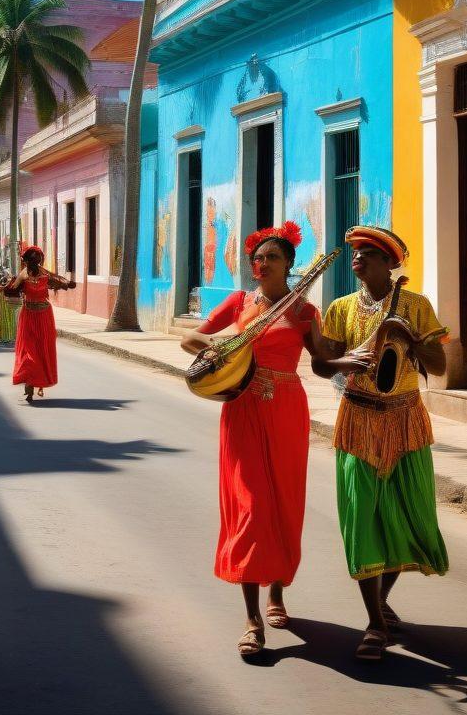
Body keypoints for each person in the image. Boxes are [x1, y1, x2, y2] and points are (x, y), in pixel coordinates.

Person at [181, 221, 329, 658]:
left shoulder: (304, 312)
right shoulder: (240, 302)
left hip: (286, 409)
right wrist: (223, 346)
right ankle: (251, 618)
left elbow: (321, 360)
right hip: (242, 407)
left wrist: (353, 359)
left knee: (283, 502)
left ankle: (278, 591)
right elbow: (191, 337)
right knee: (250, 506)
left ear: (288, 265)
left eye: (272, 258)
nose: (261, 264)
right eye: (257, 258)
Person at [312, 225, 449, 661]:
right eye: (355, 252)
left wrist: (406, 336)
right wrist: (342, 361)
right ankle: (373, 622)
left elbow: (440, 365)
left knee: (407, 518)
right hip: (357, 418)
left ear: (390, 264)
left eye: (368, 253)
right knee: (362, 520)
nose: (358, 258)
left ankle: (382, 599)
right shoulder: (340, 308)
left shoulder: (416, 305)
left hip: (406, 420)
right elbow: (320, 365)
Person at [9, 246, 75, 403]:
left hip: (44, 316)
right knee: (28, 351)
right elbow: (12, 290)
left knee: (39, 351)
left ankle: (33, 382)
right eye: (32, 259)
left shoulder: (44, 275)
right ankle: (29, 383)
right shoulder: (24, 275)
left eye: (36, 259)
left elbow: (60, 281)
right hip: (29, 316)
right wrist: (10, 287)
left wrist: (67, 284)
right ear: (27, 261)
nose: (34, 262)